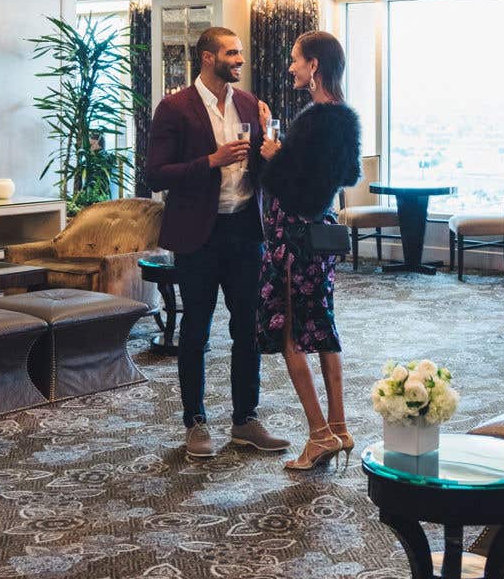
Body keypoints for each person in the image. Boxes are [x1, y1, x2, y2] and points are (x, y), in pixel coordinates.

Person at [146, 26, 290, 459]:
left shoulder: (248, 104)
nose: (240, 60)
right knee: (196, 331)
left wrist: (271, 154)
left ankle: (246, 420)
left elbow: (262, 171)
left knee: (248, 328)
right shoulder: (174, 108)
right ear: (208, 58)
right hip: (198, 235)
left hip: (246, 232)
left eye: (241, 53)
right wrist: (211, 161)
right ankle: (195, 422)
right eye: (232, 53)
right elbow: (155, 175)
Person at [257, 30, 361, 470]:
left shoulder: (314, 120)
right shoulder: (345, 118)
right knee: (323, 329)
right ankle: (339, 427)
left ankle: (319, 434)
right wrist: (284, 152)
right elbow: (349, 175)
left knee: (290, 335)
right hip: (317, 241)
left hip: (293, 242)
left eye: (297, 60)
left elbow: (296, 190)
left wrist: (272, 154)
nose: (292, 67)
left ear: (314, 65)